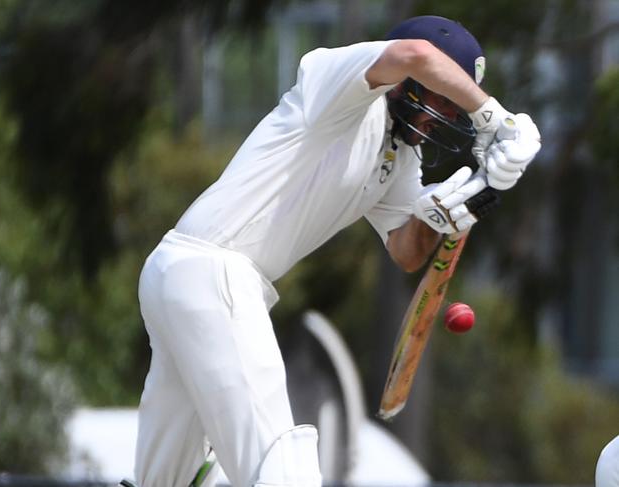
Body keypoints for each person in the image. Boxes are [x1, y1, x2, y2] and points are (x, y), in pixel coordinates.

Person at [132, 15, 541, 487]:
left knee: (168, 481)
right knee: (283, 471)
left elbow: (406, 252)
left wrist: (444, 213)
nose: (447, 117)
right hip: (214, 271)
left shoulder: (399, 155)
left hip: (183, 278)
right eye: (444, 100)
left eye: (455, 110)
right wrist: (494, 116)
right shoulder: (339, 82)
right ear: (407, 83)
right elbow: (416, 55)